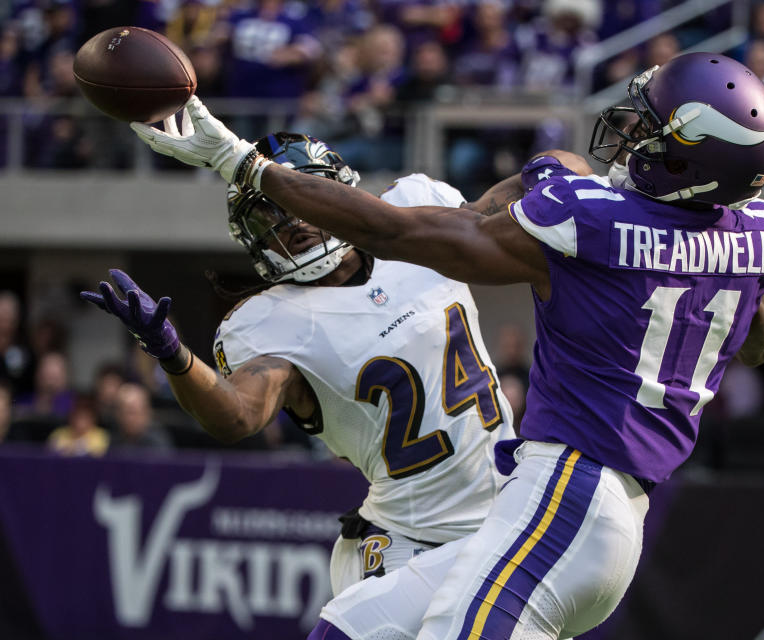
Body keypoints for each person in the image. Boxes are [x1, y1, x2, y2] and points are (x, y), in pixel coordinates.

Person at [128, 52, 764, 639]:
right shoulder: (759, 232)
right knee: (349, 626)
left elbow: (399, 233)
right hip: (566, 507)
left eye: (647, 129)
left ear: (686, 159)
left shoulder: (591, 221)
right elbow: (759, 335)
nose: (626, 137)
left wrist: (236, 160)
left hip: (567, 494)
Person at [81, 132, 527, 596]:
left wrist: (594, 187)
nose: (290, 221)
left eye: (297, 197)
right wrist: (171, 353)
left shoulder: (415, 208)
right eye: (267, 213)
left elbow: (520, 192)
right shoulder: (272, 321)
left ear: (337, 187)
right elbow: (237, 415)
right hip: (408, 542)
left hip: (506, 514)